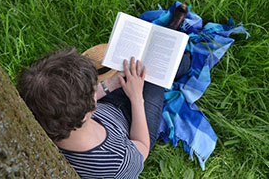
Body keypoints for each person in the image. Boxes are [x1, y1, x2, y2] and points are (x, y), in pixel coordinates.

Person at [16, 47, 190, 178]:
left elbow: (71, 104)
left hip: (108, 108)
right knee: (154, 74)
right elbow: (142, 146)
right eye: (95, 89)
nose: (98, 87)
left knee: (137, 68)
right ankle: (186, 61)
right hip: (135, 127)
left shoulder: (48, 118)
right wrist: (137, 98)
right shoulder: (116, 161)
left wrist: (111, 84)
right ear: (87, 110)